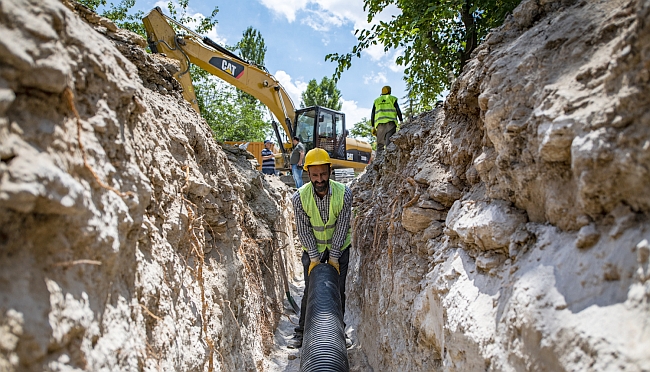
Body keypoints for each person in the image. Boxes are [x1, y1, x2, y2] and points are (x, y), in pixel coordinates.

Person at [287, 148, 353, 349]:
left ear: (330, 170)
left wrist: (334, 256)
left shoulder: (344, 193)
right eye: (315, 175)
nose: (319, 179)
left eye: (323, 174)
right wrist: (315, 258)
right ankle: (301, 332)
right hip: (313, 246)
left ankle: (338, 330)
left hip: (339, 246)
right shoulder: (299, 197)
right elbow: (304, 230)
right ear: (308, 174)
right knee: (311, 290)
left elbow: (342, 226)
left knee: (337, 290)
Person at [370, 85, 403, 152]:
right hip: (391, 124)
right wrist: (401, 121)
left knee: (380, 145)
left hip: (380, 125)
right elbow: (398, 110)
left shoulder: (377, 101)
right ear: (389, 91)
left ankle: (378, 159)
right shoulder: (392, 99)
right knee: (389, 143)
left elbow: (373, 113)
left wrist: (372, 126)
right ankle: (389, 158)